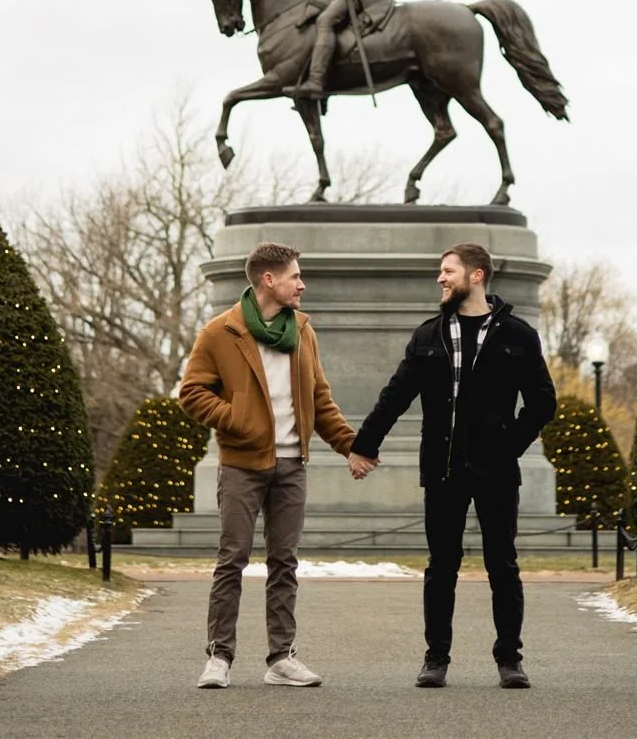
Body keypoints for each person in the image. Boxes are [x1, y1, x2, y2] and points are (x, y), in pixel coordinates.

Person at [349, 243, 557, 689]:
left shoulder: (517, 335)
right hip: (443, 470)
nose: (440, 279)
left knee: (502, 563)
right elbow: (395, 396)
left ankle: (509, 660)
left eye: (448, 271)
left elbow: (543, 401)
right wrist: (363, 446)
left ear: (476, 275)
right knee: (441, 565)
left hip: (497, 470)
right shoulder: (428, 336)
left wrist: (509, 446)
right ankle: (436, 659)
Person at [177, 241, 360, 688]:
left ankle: (281, 658)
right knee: (232, 560)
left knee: (284, 563)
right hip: (242, 464)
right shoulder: (221, 332)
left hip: (292, 464)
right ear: (268, 280)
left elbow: (320, 398)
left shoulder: (302, 331)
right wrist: (234, 418)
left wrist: (352, 447)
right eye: (295, 276)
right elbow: (192, 392)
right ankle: (219, 658)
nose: (302, 284)